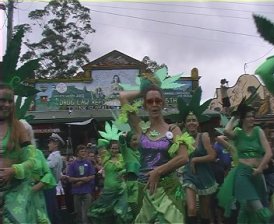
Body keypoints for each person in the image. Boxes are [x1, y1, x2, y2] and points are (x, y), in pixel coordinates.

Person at [119, 85, 189, 223]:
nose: (154, 104)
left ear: (163, 103)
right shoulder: (140, 128)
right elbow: (123, 97)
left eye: (158, 100)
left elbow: (183, 157)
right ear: (145, 105)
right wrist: (145, 89)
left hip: (168, 189)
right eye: (150, 101)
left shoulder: (173, 129)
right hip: (144, 189)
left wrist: (158, 171)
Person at [219, 103, 273, 223]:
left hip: (257, 175)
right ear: (243, 118)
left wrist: (260, 169)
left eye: (253, 116)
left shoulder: (258, 131)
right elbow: (226, 131)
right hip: (242, 174)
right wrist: (234, 116)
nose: (252, 118)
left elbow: (268, 153)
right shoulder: (238, 133)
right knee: (258, 208)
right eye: (249, 116)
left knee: (249, 209)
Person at [0, 83, 37, 223]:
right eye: (2, 100)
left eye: (10, 101)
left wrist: (13, 170)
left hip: (15, 194)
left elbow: (32, 161)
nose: (7, 105)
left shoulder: (20, 127)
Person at [182, 112, 218, 224]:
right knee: (191, 208)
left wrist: (195, 160)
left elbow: (212, 155)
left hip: (204, 175)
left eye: (194, 120)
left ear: (198, 123)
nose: (191, 122)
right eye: (188, 120)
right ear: (185, 124)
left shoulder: (204, 136)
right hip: (189, 175)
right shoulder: (182, 139)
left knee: (204, 212)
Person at [20, 119, 56, 223]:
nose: (24, 136)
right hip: (19, 198)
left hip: (38, 196)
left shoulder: (38, 153)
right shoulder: (13, 155)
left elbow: (48, 174)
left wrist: (37, 186)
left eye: (26, 132)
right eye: (21, 132)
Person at [87, 139, 132, 224]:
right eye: (112, 148)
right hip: (108, 190)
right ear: (109, 149)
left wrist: (123, 171)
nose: (114, 150)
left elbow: (129, 168)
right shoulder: (105, 157)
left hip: (121, 190)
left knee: (121, 213)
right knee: (98, 211)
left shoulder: (122, 157)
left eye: (116, 148)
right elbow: (100, 141)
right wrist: (111, 139)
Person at [67, 144, 95, 224]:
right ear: (77, 153)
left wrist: (82, 182)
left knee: (87, 213)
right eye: (81, 151)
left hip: (87, 191)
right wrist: (81, 179)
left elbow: (92, 176)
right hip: (76, 192)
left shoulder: (88, 163)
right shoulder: (73, 164)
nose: (83, 153)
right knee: (78, 213)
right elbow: (70, 178)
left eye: (84, 151)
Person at [44, 132, 65, 224]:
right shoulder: (54, 155)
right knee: (53, 210)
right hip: (50, 186)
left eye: (50, 142)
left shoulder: (55, 156)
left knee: (50, 211)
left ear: (56, 144)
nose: (48, 144)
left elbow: (47, 167)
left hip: (49, 186)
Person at [119, 131, 140, 218]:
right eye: (134, 140)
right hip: (132, 185)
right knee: (136, 211)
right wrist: (123, 135)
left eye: (138, 140)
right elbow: (121, 141)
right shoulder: (126, 152)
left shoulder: (142, 152)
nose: (136, 142)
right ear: (129, 142)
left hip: (144, 184)